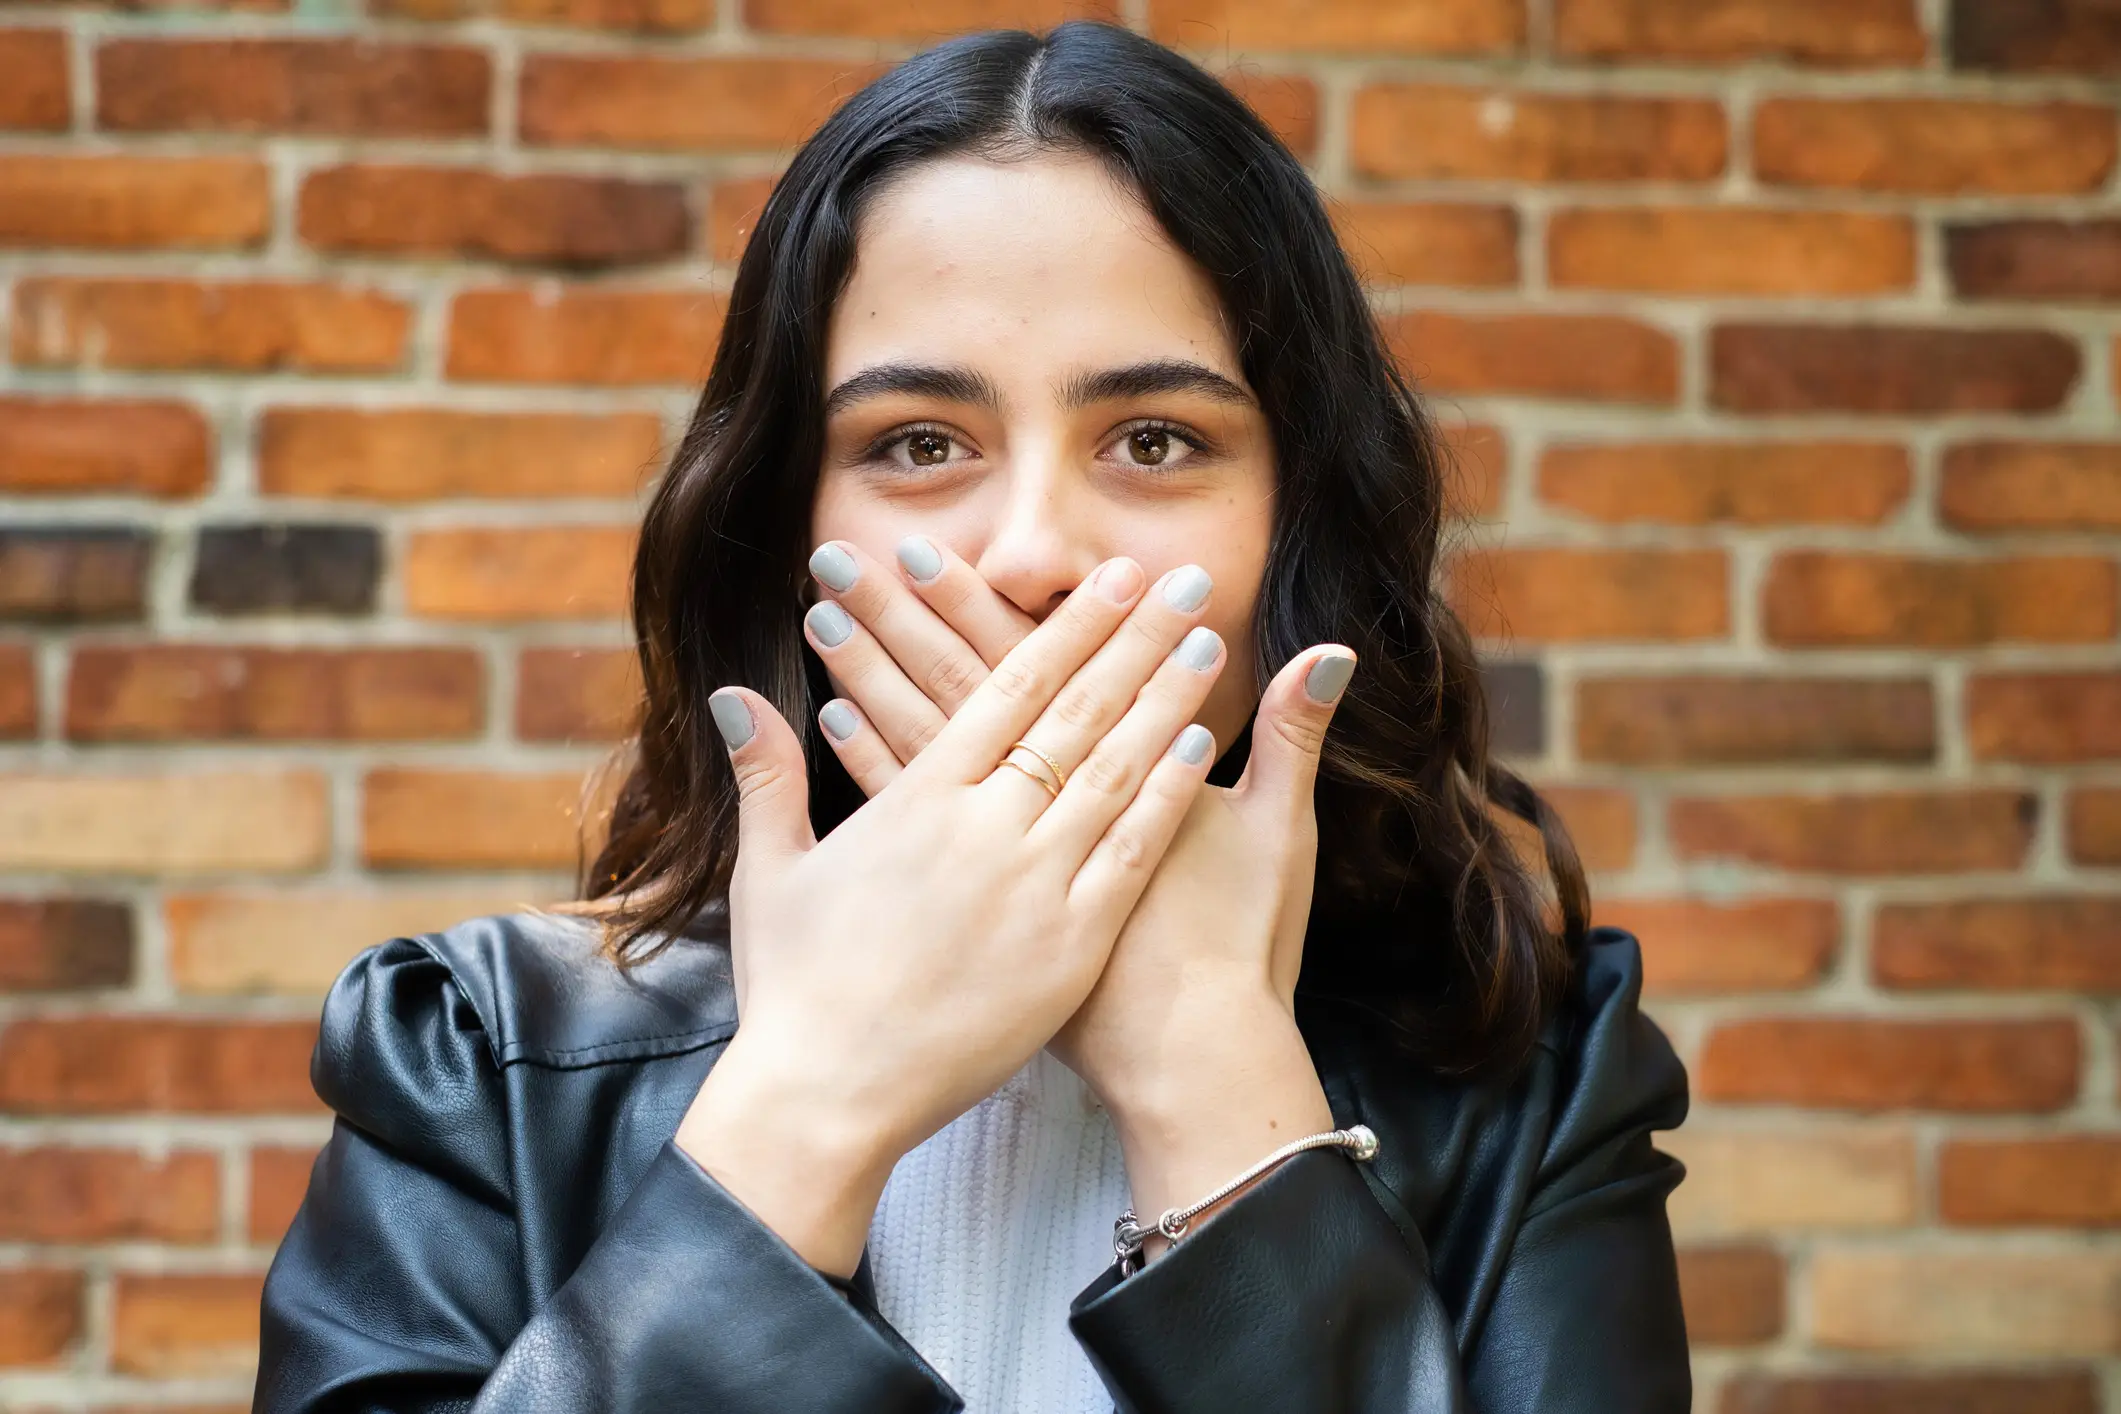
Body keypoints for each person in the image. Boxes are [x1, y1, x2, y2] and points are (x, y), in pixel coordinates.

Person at [255, 21, 1690, 1414]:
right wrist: (814, 1105)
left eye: (1155, 441)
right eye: (921, 443)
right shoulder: (478, 1058)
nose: (1031, 554)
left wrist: (1213, 1080)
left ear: (1296, 526)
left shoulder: (1539, 1090)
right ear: (785, 523)